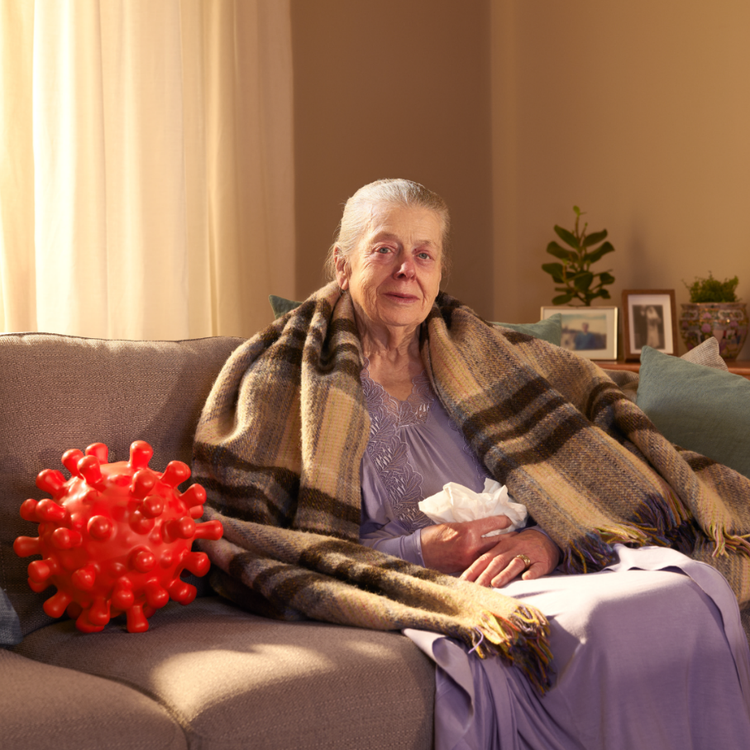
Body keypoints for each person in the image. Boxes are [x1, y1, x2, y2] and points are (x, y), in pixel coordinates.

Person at [194, 179, 750, 749]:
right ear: (342, 263)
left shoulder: (482, 358)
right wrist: (420, 551)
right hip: (430, 583)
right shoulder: (287, 378)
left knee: (683, 593)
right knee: (602, 624)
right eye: (384, 249)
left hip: (536, 563)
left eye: (423, 254)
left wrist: (550, 542)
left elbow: (569, 471)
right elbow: (281, 537)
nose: (406, 269)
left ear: (439, 271)